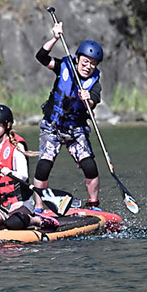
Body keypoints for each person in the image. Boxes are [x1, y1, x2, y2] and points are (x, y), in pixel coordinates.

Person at [34, 21, 103, 210]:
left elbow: (92, 104)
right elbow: (41, 56)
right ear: (78, 58)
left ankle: (94, 205)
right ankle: (39, 207)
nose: (88, 67)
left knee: (90, 167)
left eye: (93, 64)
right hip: (52, 126)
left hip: (76, 130)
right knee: (43, 167)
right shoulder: (64, 66)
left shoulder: (94, 84)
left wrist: (86, 100)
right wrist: (55, 38)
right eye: (85, 62)